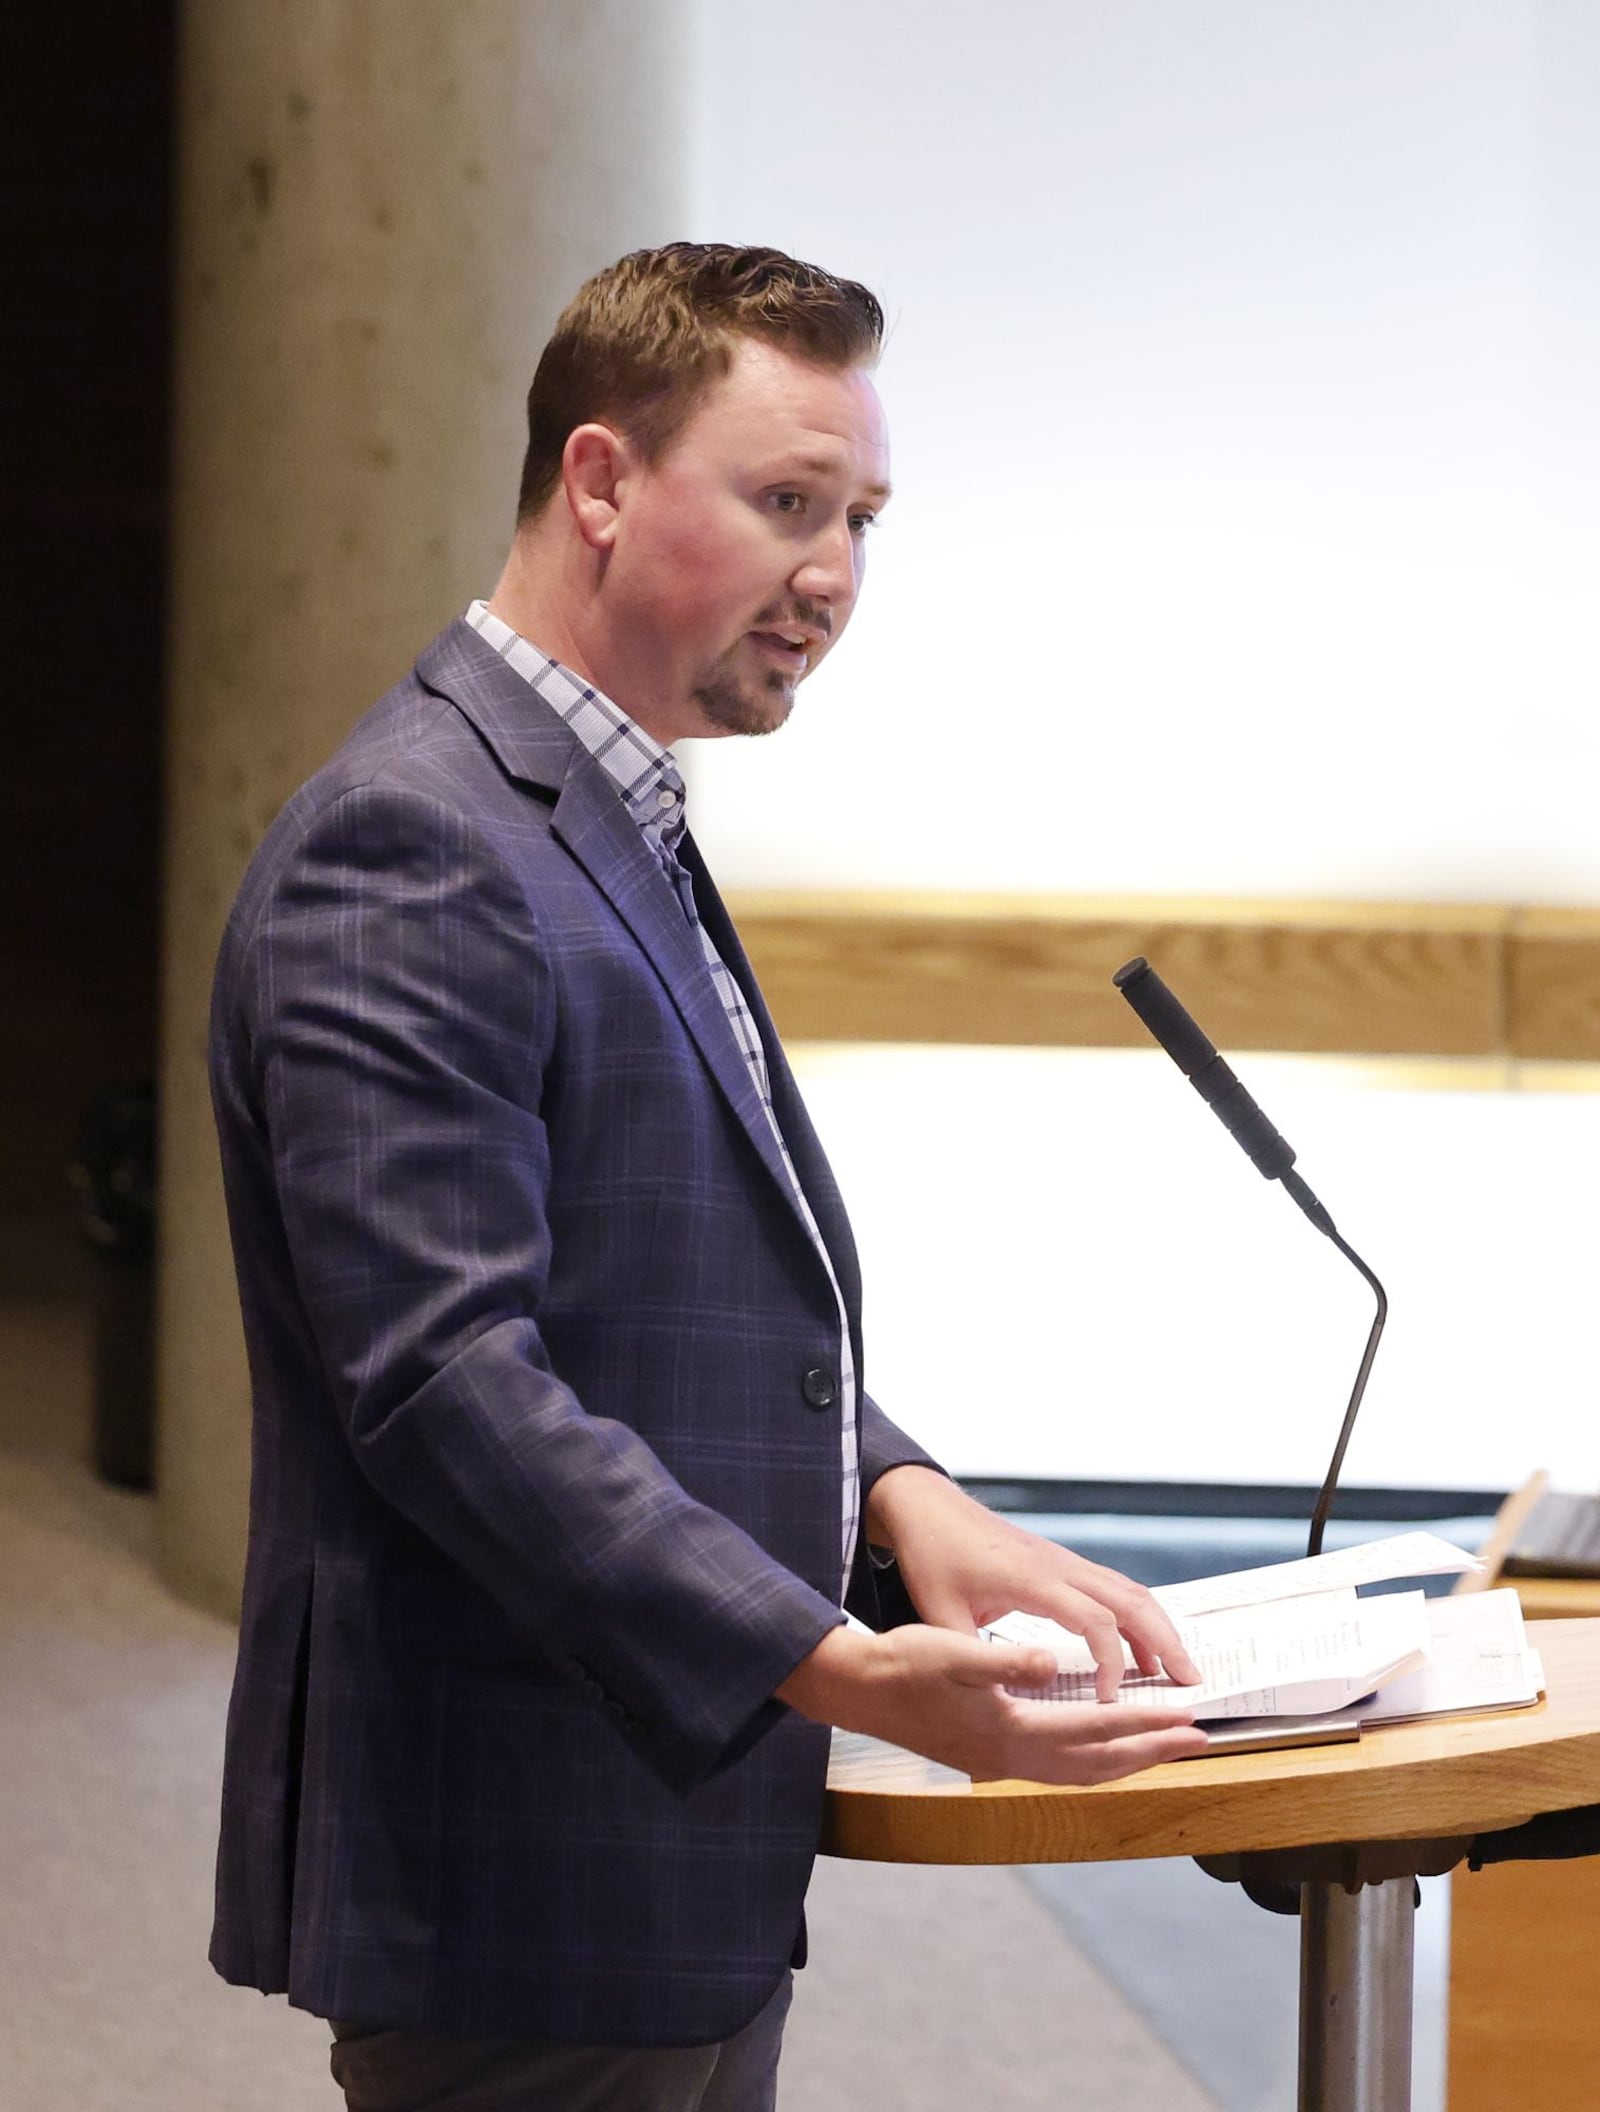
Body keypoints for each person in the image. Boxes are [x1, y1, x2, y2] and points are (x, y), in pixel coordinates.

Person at [207, 242, 1206, 2112]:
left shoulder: (606, 804)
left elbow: (666, 1280)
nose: (833, 579)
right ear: (599, 481)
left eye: (862, 518)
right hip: (521, 1846)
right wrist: (835, 1664)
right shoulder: (413, 849)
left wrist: (906, 1499)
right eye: (786, 504)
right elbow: (450, 1387)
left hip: (661, 1832)